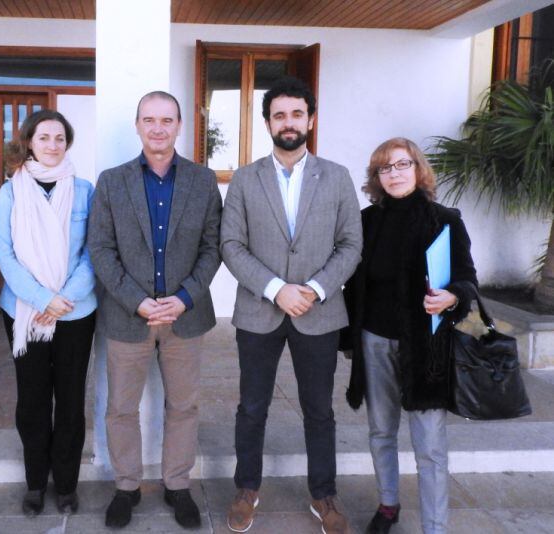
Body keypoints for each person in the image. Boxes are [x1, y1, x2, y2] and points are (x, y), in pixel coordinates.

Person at [220, 77, 362, 534]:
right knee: (251, 407)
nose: (288, 122)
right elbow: (231, 244)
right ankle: (247, 488)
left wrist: (316, 289)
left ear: (310, 119)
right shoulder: (244, 178)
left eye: (296, 113)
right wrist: (277, 287)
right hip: (260, 309)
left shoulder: (337, 176)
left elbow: (350, 244)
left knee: (319, 410)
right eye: (279, 115)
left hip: (319, 312)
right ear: (267, 123)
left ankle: (324, 495)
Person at [88, 90, 222, 529]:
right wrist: (138, 301)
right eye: (150, 119)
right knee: (121, 408)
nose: (158, 128)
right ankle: (126, 487)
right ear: (138, 125)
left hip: (186, 317)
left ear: (179, 125)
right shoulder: (112, 181)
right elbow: (101, 249)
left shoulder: (203, 181)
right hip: (129, 315)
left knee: (183, 406)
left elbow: (212, 247)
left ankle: (177, 485)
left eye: (167, 120)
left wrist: (183, 298)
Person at [342, 137, 477, 534]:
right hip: (374, 340)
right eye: (385, 168)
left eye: (402, 165)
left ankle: (435, 526)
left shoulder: (444, 220)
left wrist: (453, 296)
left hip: (426, 347)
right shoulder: (366, 222)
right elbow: (353, 283)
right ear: (376, 177)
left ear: (418, 170)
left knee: (430, 445)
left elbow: (467, 279)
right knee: (381, 430)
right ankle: (388, 505)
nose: (394, 174)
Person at [0, 109, 96, 516]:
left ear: (67, 143)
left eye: (59, 138)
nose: (52, 145)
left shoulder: (85, 190)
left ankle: (66, 484)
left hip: (75, 310)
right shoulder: (10, 192)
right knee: (32, 398)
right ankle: (36, 482)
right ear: (29, 142)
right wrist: (41, 299)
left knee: (70, 399)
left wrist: (63, 299)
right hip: (24, 310)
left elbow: (94, 250)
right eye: (43, 137)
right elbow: (5, 253)